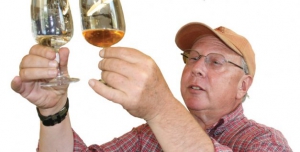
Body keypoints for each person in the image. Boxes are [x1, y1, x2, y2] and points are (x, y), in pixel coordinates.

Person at [11, 22, 292, 152]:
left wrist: (160, 107)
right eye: (192, 57)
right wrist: (54, 111)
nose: (196, 67)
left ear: (243, 85)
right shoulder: (147, 136)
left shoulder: (265, 142)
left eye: (215, 61)